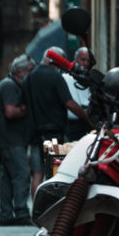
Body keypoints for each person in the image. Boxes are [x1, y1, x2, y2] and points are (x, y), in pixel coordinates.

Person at [23, 46, 93, 197]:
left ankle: (36, 210)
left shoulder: (29, 78)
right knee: (55, 175)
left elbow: (24, 106)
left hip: (35, 134)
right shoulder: (56, 77)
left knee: (37, 174)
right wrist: (87, 117)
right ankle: (51, 211)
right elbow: (69, 103)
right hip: (54, 135)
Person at [0, 54, 34, 226]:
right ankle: (21, 211)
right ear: (20, 72)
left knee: (8, 177)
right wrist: (27, 109)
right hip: (12, 140)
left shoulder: (7, 85)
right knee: (21, 174)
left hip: (8, 140)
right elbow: (10, 112)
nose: (31, 76)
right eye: (29, 72)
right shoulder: (10, 87)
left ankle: (6, 214)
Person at [63, 46, 93, 142]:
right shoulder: (65, 78)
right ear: (75, 60)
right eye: (83, 60)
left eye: (88, 61)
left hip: (88, 124)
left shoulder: (91, 80)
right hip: (71, 126)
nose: (85, 63)